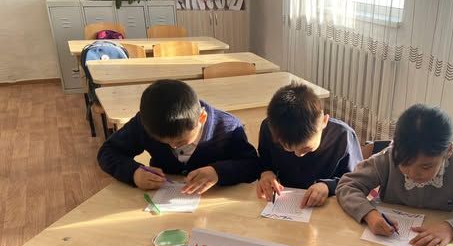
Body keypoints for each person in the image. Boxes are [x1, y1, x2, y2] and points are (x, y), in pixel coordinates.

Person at [336, 104, 453, 246]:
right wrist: (369, 214)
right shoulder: (388, 158)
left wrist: (451, 228)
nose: (413, 173)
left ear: (448, 151)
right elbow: (347, 185)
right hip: (389, 243)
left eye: (426, 166)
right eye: (404, 163)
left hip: (440, 245)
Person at [98, 79, 259, 195]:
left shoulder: (228, 128)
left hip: (215, 206)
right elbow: (107, 152)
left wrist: (218, 172)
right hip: (161, 201)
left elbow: (252, 165)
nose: (173, 146)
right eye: (163, 142)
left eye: (181, 141)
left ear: (202, 119)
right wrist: (133, 173)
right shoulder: (145, 123)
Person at [257, 83, 362, 207]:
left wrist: (328, 186)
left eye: (306, 148)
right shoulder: (270, 129)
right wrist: (266, 172)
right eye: (288, 149)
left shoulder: (343, 136)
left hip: (330, 206)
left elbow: (358, 180)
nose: (298, 155)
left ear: (324, 121)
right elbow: (264, 161)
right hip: (286, 202)